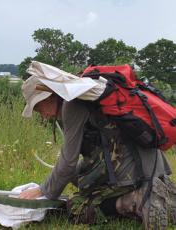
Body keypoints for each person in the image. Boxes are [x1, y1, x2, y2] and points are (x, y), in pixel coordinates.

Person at [18, 75, 176, 230]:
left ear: (50, 97)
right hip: (149, 168)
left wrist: (42, 190)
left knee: (76, 208)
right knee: (78, 177)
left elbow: (67, 163)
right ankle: (157, 193)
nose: (44, 116)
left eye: (39, 109)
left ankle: (137, 201)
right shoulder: (88, 95)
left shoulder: (71, 103)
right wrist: (79, 176)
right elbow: (99, 150)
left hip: (129, 173)